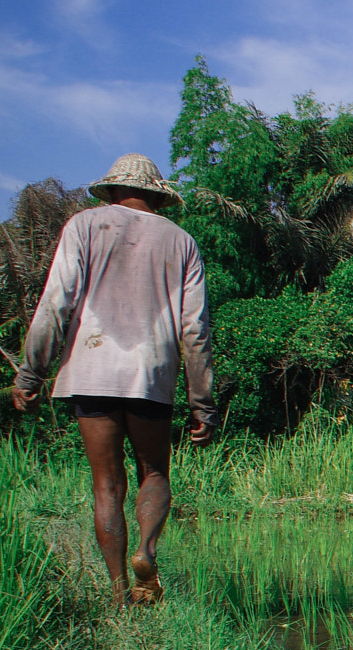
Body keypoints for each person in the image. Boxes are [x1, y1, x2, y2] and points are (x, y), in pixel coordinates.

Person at [13, 154, 219, 606]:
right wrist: (203, 401)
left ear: (110, 191)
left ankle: (116, 593)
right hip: (151, 374)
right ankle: (146, 551)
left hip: (91, 369)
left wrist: (32, 371)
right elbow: (195, 330)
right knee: (155, 472)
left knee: (106, 484)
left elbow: (55, 304)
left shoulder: (84, 227)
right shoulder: (181, 242)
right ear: (157, 196)